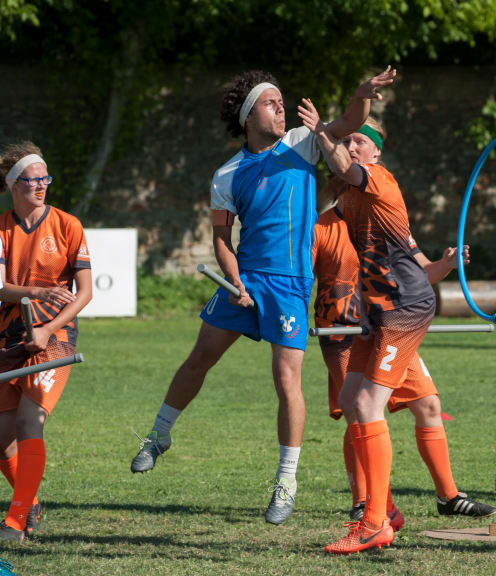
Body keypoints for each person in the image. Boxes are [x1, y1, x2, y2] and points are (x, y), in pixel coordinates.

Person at [130, 67, 396, 527]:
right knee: (199, 359)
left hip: (290, 286)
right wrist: (235, 281)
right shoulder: (227, 173)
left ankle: (286, 481)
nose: (281, 107)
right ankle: (158, 436)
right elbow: (220, 239)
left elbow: (350, 122)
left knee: (286, 381)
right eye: (271, 102)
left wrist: (362, 93)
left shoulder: (301, 142)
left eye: (281, 101)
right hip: (246, 279)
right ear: (249, 114)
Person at [298, 101, 441, 553]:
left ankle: (376, 522)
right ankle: (385, 509)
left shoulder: (380, 181)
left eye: (361, 140)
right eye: (349, 138)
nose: (351, 145)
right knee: (350, 400)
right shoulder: (346, 198)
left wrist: (322, 129)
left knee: (368, 401)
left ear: (376, 154)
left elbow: (337, 160)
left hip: (405, 309)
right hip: (375, 313)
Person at [313, 205, 494, 527]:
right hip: (345, 334)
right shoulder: (321, 226)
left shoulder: (390, 222)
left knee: (428, 404)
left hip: (392, 328)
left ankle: (449, 498)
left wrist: (447, 264)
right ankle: (364, 502)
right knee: (358, 412)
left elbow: (422, 272)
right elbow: (298, 278)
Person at [0, 142, 93, 541]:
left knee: (28, 421)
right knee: (2, 439)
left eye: (45, 178)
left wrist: (47, 328)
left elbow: (84, 293)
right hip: (7, 336)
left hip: (55, 334)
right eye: (32, 179)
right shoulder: (1, 227)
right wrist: (35, 295)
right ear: (12, 185)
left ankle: (16, 521)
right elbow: (0, 288)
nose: (41, 185)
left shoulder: (68, 224)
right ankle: (30, 500)